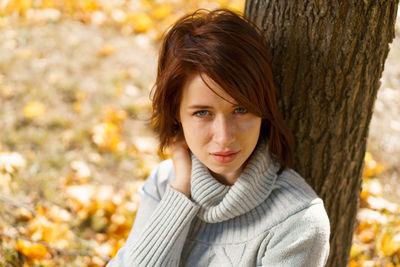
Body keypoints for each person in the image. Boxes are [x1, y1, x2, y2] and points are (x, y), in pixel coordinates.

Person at [107, 8, 330, 267]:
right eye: (202, 113)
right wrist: (181, 193)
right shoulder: (164, 183)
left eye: (241, 109)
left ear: (263, 108)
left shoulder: (297, 221)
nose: (224, 138)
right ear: (177, 114)